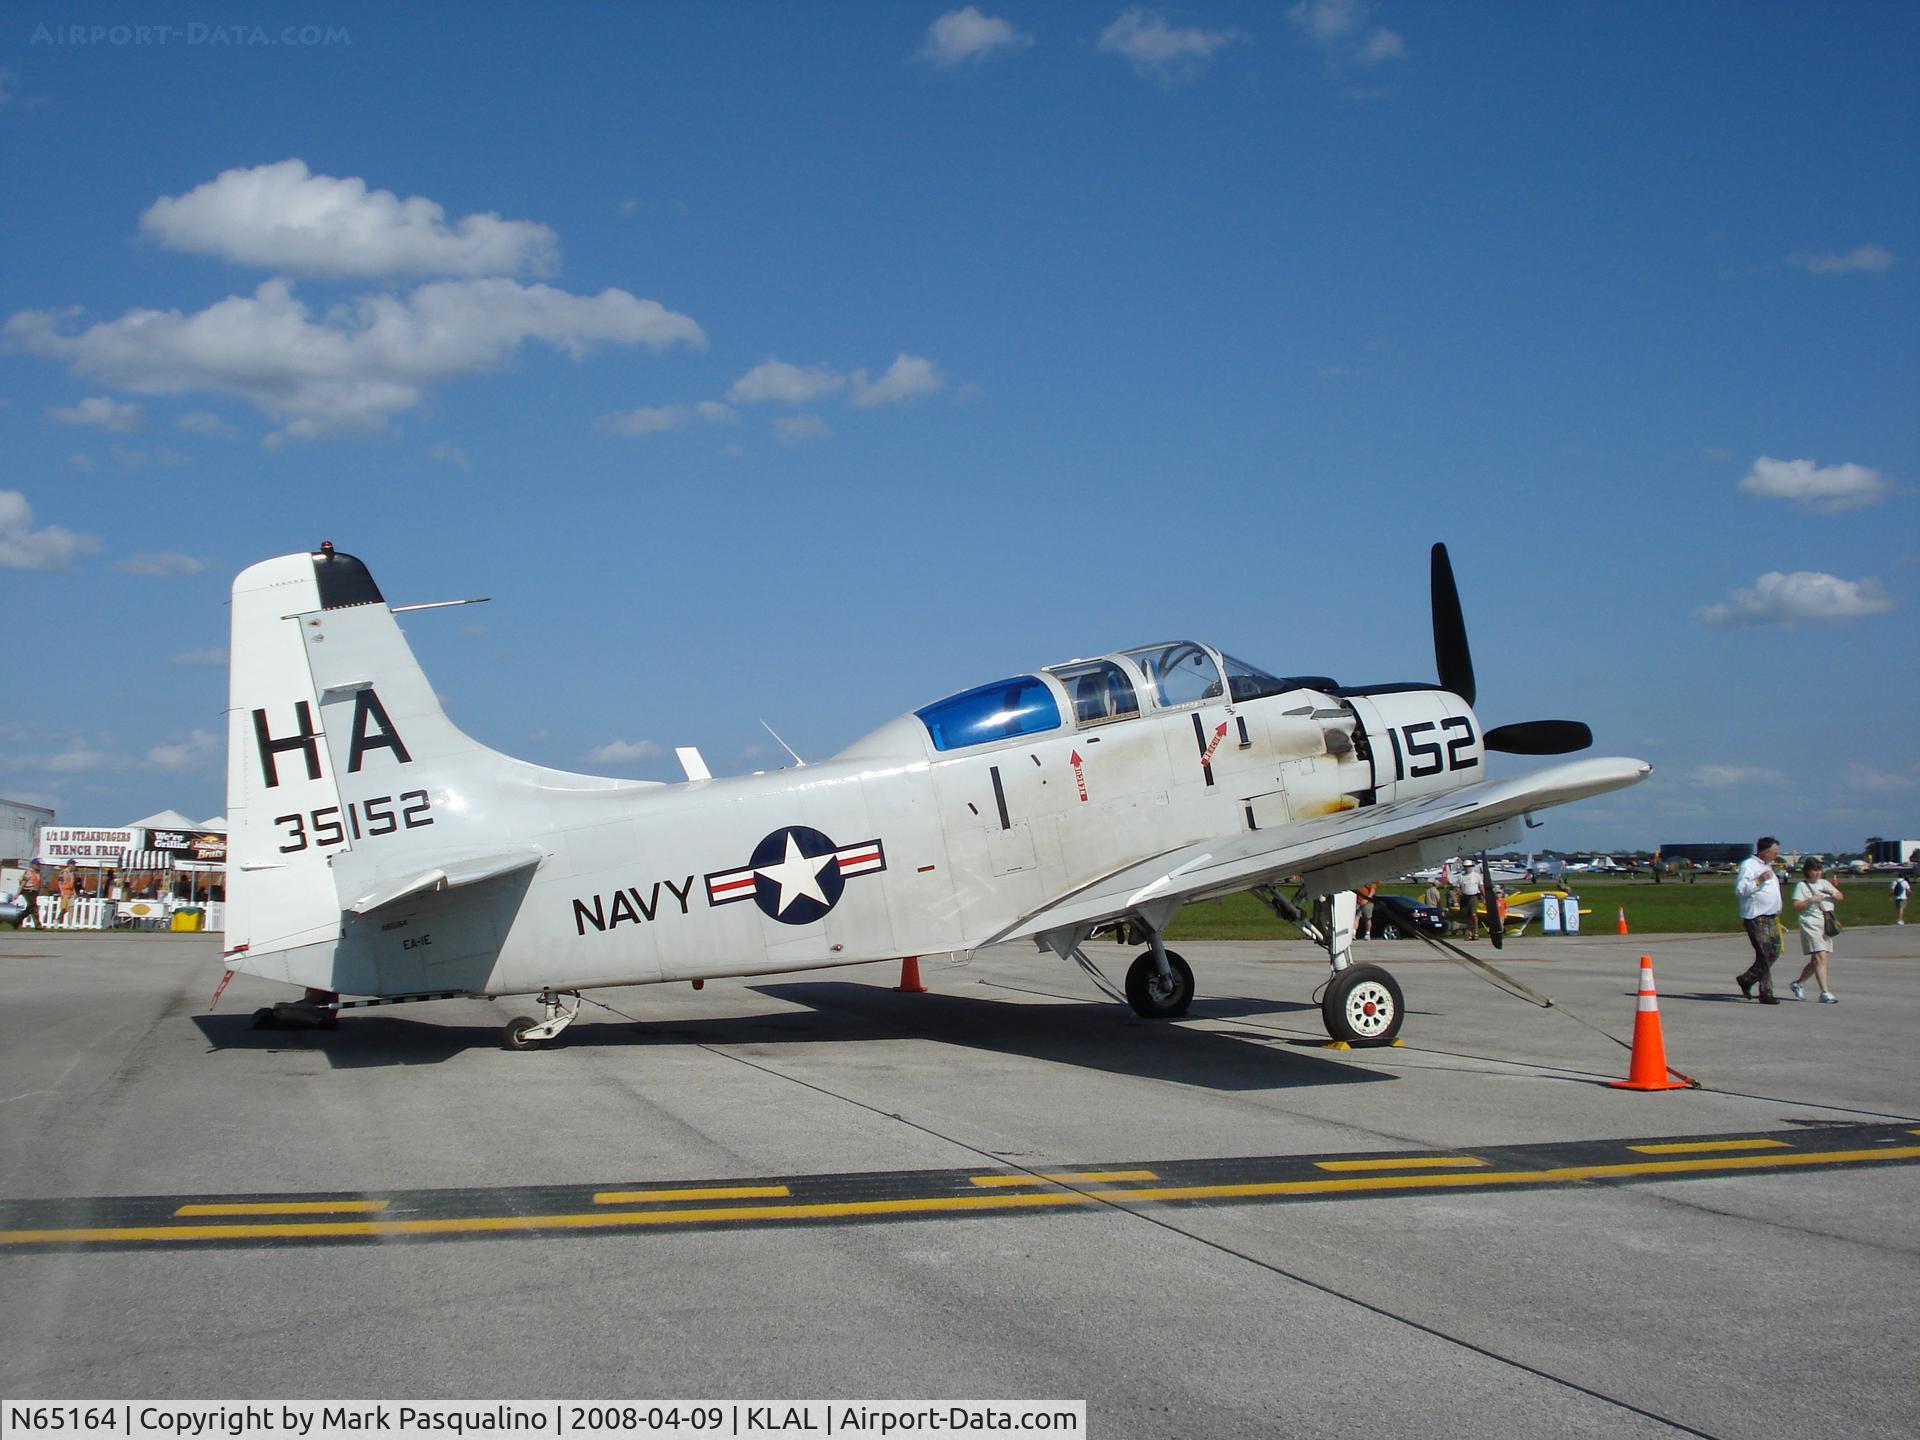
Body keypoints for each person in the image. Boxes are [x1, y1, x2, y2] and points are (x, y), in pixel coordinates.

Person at [1734, 836, 1783, 1003]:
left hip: (1771, 916)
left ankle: (1749, 980)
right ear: (1765, 852)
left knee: (1773, 953)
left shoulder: (1767, 866)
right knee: (1765, 954)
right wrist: (1759, 880)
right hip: (1756, 917)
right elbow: (1741, 890)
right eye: (1774, 852)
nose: (1776, 855)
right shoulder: (1749, 865)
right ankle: (1765, 992)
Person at [1788, 858, 1843, 1003]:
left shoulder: (1825, 883)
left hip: (1825, 923)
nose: (1817, 873)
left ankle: (1798, 983)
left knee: (1816, 961)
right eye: (1814, 870)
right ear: (1807, 871)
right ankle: (1824, 992)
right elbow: (1796, 905)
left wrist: (1831, 893)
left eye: (1819, 870)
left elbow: (1840, 896)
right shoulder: (1802, 886)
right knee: (1821, 956)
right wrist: (1810, 900)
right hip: (1810, 923)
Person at [1457, 862, 1484, 939]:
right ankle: (1469, 932)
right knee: (1466, 915)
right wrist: (1458, 893)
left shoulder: (1476, 876)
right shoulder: (1461, 876)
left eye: (1469, 866)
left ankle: (1476, 932)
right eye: (1466, 866)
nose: (1467, 868)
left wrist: (1484, 896)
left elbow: (1480, 886)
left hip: (1473, 896)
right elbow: (1458, 887)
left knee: (1473, 914)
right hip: (1464, 897)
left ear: (1472, 867)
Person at [16, 860, 43, 930]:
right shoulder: (28, 872)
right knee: (34, 907)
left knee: (29, 909)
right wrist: (18, 893)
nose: (39, 866)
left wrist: (38, 892)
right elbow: (23, 883)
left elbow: (38, 883)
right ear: (33, 865)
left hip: (34, 892)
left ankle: (16, 920)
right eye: (37, 865)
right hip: (28, 891)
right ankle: (38, 925)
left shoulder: (38, 873)